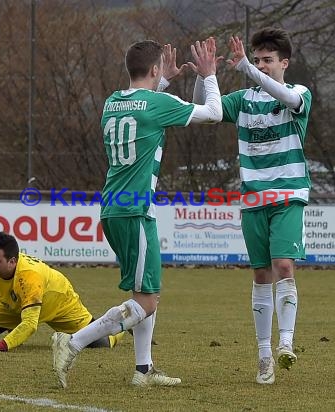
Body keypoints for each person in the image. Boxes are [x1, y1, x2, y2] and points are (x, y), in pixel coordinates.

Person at [51, 38, 222, 388]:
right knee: (147, 299)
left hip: (114, 207)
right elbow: (214, 113)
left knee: (144, 292)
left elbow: (141, 109)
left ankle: (143, 371)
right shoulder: (156, 103)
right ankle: (73, 341)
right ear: (155, 69)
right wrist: (208, 75)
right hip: (135, 210)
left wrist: (165, 81)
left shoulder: (111, 104)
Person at [194, 27, 312, 384]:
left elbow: (288, 100)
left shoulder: (297, 92)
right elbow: (207, 110)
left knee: (283, 266)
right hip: (252, 199)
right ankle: (264, 357)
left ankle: (286, 344)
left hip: (288, 195)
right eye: (257, 59)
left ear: (284, 63)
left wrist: (247, 67)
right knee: (261, 275)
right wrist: (205, 76)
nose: (261, 65)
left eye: (267, 60)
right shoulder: (244, 99)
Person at [0, 232, 124, 353]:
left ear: (12, 261)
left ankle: (122, 326)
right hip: (13, 303)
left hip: (57, 301)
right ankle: (14, 332)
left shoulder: (30, 276)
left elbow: (30, 324)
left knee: (99, 342)